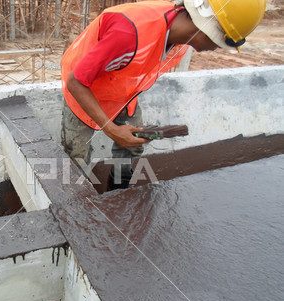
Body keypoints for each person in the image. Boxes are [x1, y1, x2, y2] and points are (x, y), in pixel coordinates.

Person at [61, 0, 266, 189]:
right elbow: (76, 82)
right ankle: (70, 208)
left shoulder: (177, 40)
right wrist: (112, 129)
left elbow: (136, 66)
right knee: (77, 160)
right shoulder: (130, 33)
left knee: (132, 145)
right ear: (209, 32)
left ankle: (117, 192)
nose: (215, 49)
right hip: (83, 89)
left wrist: (120, 126)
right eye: (219, 44)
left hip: (121, 90)